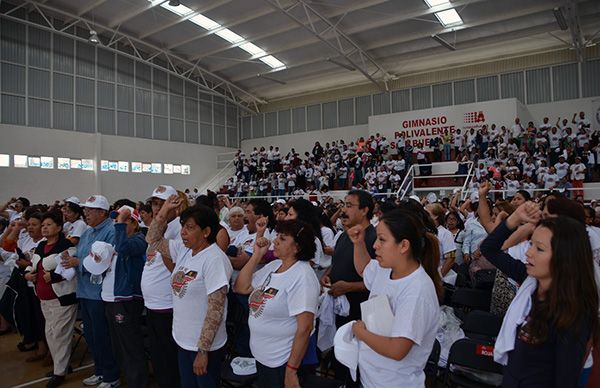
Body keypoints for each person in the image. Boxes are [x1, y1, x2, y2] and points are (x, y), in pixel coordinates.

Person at [480, 202, 599, 387]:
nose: (528, 253)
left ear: (564, 257)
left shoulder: (571, 315)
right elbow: (489, 249)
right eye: (531, 244)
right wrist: (514, 219)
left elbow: (564, 380)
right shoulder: (529, 282)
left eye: (539, 249)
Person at [348, 209, 442, 387]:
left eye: (382, 239)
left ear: (404, 246)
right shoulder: (386, 269)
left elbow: (397, 349)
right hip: (371, 379)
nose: (375, 245)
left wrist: (361, 333)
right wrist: (358, 243)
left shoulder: (417, 291)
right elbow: (364, 270)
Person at [147, 197, 233, 388]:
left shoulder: (214, 259)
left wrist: (203, 351)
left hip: (205, 347)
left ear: (206, 232)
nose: (183, 232)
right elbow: (152, 239)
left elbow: (215, 309)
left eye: (190, 227)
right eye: (183, 226)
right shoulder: (184, 251)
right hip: (183, 340)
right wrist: (164, 211)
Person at [234, 219, 319, 388]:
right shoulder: (274, 266)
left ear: (298, 247)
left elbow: (305, 327)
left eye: (283, 238)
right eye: (277, 236)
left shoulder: (302, 276)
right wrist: (256, 255)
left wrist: (291, 370)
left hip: (282, 361)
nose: (275, 241)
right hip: (264, 357)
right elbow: (241, 287)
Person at [60, 195, 120, 387]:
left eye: (90, 210)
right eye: (85, 210)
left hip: (99, 292)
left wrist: (79, 263)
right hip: (85, 290)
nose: (86, 213)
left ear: (102, 212)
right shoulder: (87, 232)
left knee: (102, 335)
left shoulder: (110, 231)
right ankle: (100, 371)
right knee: (92, 336)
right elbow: (81, 253)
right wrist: (69, 257)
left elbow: (106, 262)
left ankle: (112, 376)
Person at [320, 190, 375, 387]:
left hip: (361, 313)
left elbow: (378, 280)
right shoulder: (344, 236)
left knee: (357, 364)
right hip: (339, 309)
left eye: (350, 205)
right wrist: (328, 275)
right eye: (344, 204)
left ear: (365, 210)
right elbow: (337, 262)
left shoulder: (374, 239)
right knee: (340, 358)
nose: (344, 210)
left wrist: (349, 287)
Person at [24, 211, 76, 388]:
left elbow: (71, 270)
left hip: (62, 298)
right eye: (43, 225)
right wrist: (27, 275)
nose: (44, 228)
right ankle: (62, 366)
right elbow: (33, 266)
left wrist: (53, 277)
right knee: (50, 334)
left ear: (59, 227)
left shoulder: (66, 245)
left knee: (59, 334)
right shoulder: (40, 246)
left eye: (49, 224)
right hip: (43, 298)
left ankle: (59, 372)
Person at [102, 206, 148, 387]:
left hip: (127, 299)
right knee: (119, 346)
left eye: (122, 220)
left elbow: (123, 247)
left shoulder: (139, 240)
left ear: (135, 224)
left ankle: (137, 383)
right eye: (116, 220)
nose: (116, 224)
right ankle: (128, 380)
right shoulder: (118, 242)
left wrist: (119, 225)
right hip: (112, 298)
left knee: (131, 346)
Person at [142, 185, 182, 388]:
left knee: (169, 357)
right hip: (153, 304)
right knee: (159, 355)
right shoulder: (158, 228)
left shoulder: (180, 229)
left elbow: (176, 268)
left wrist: (161, 227)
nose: (157, 209)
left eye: (163, 204)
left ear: (175, 206)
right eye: (155, 204)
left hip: (168, 304)